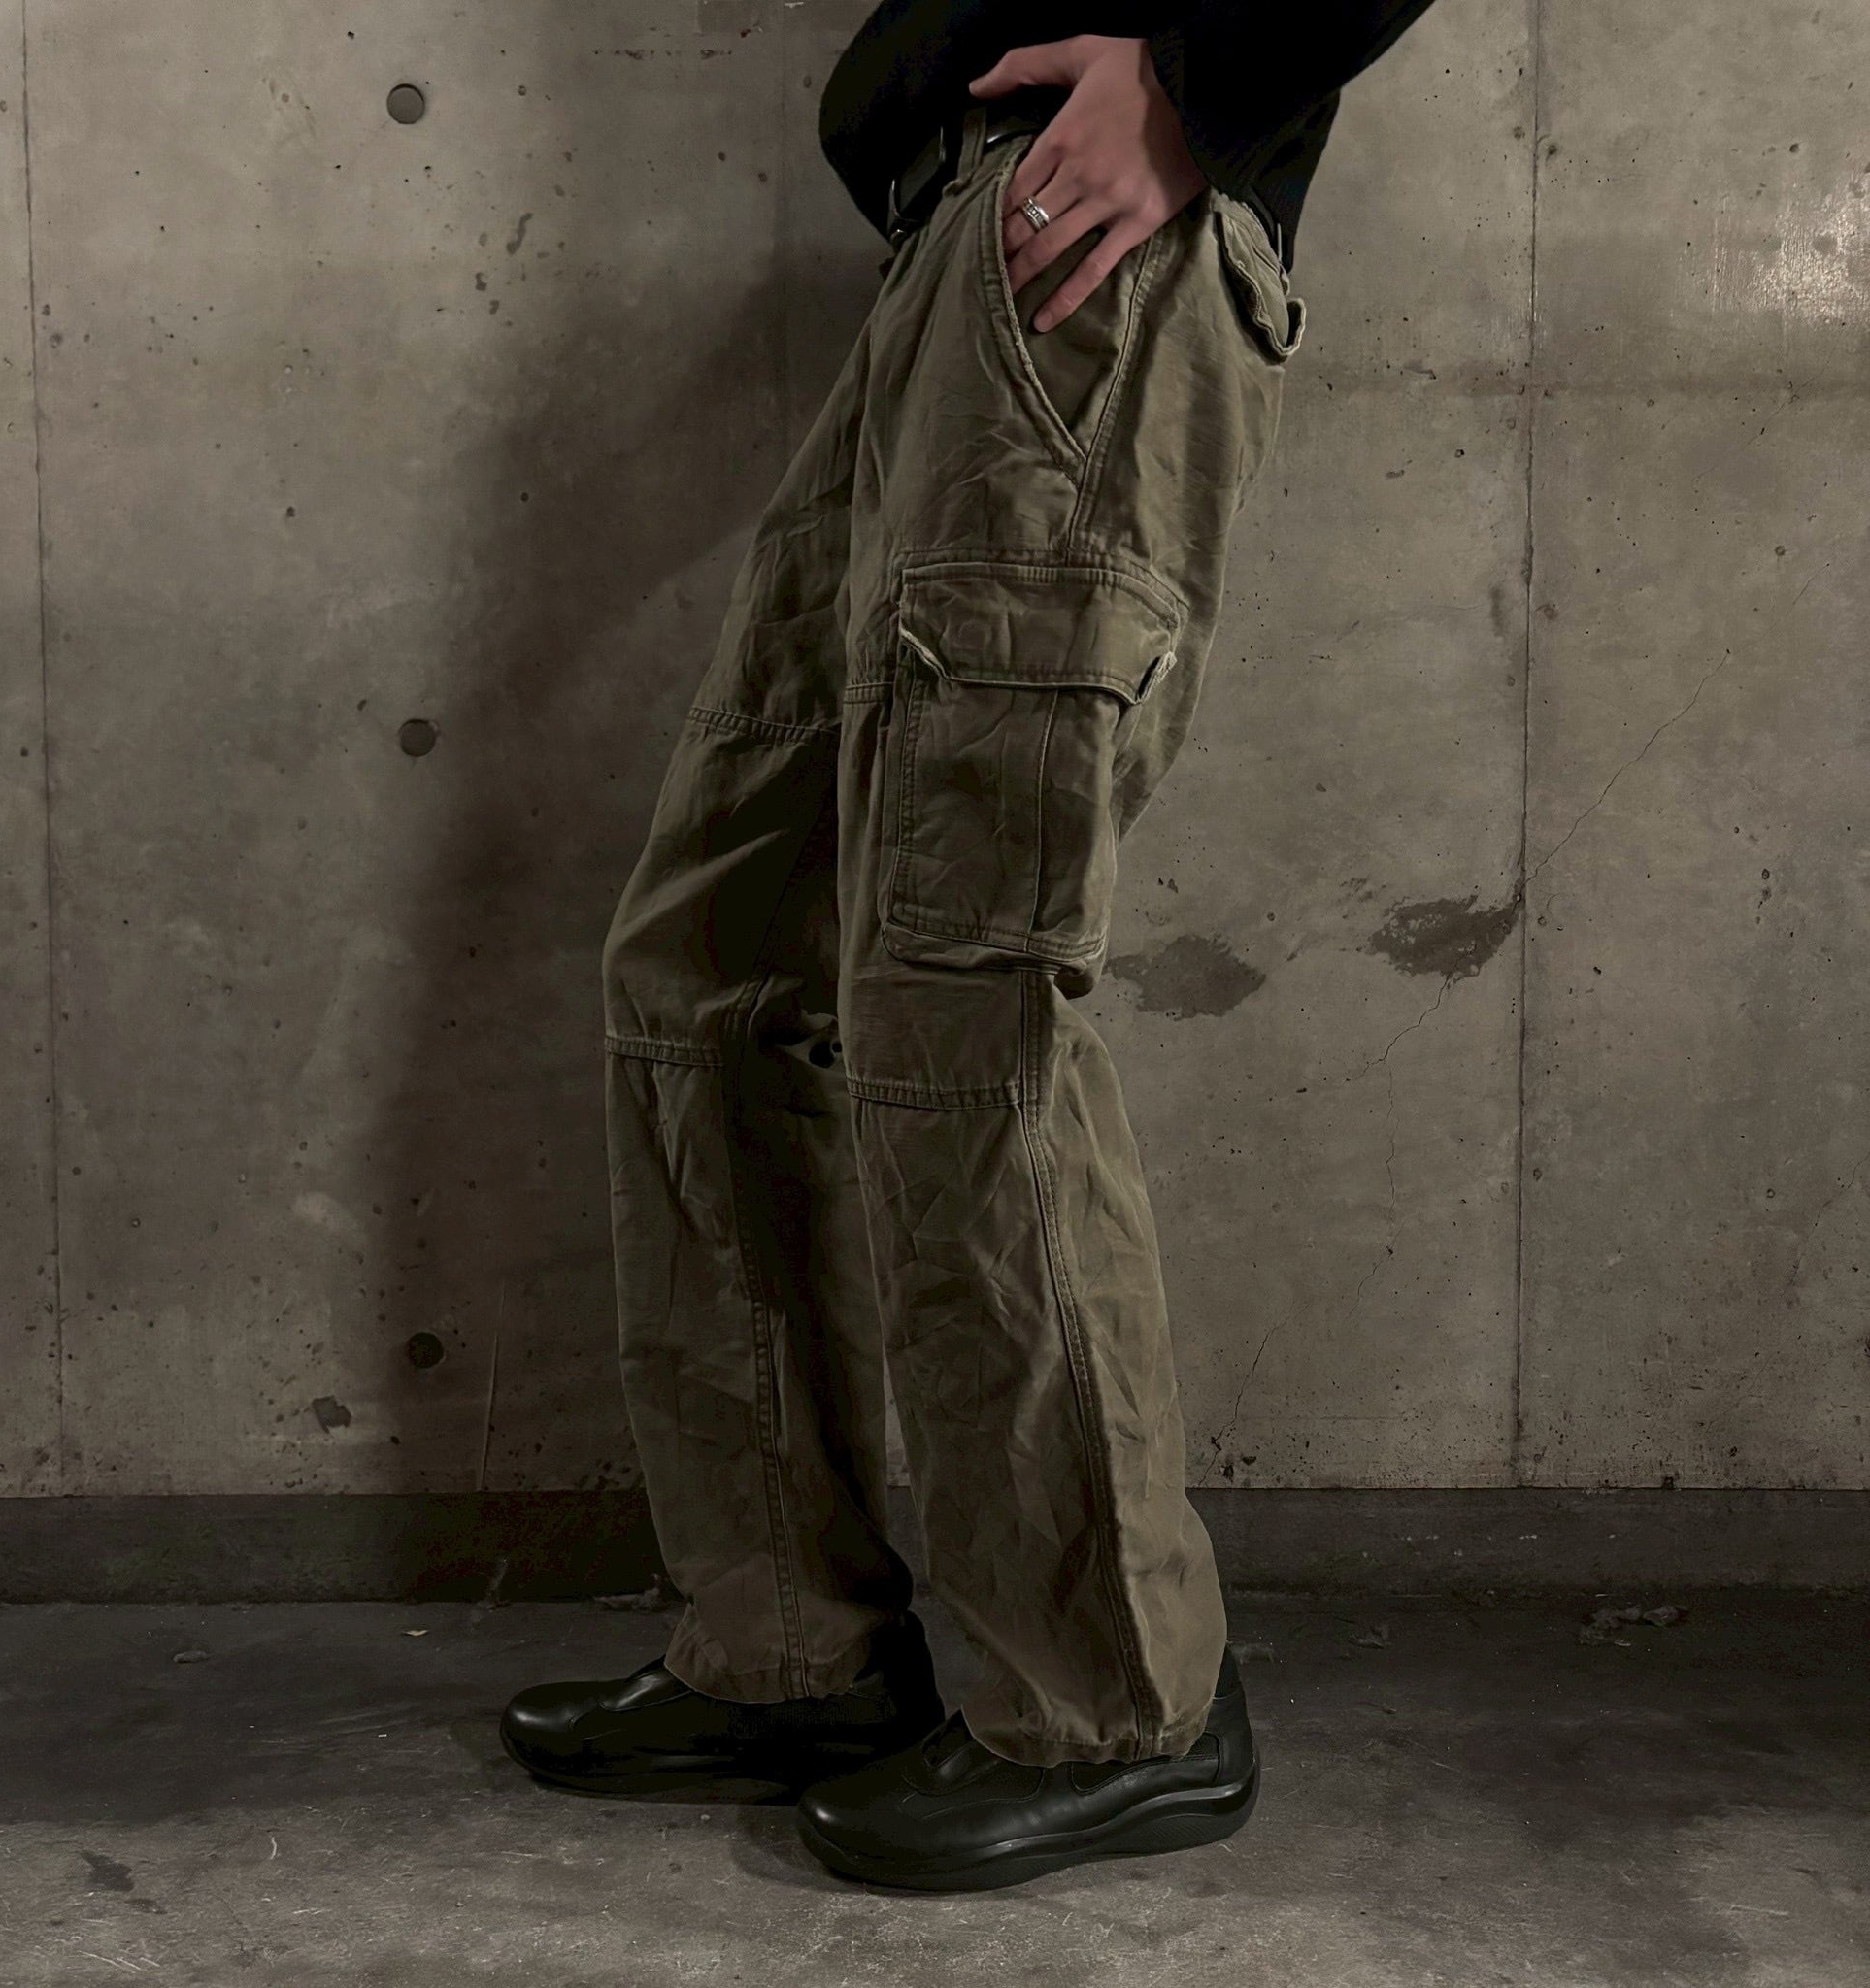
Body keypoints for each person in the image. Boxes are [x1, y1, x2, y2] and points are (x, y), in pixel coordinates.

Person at [502, 3, 1440, 1892]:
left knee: (964, 984)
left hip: (1087, 242)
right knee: (708, 970)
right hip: (964, 254)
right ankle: (790, 1644)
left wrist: (1200, 82)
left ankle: (1112, 1700)